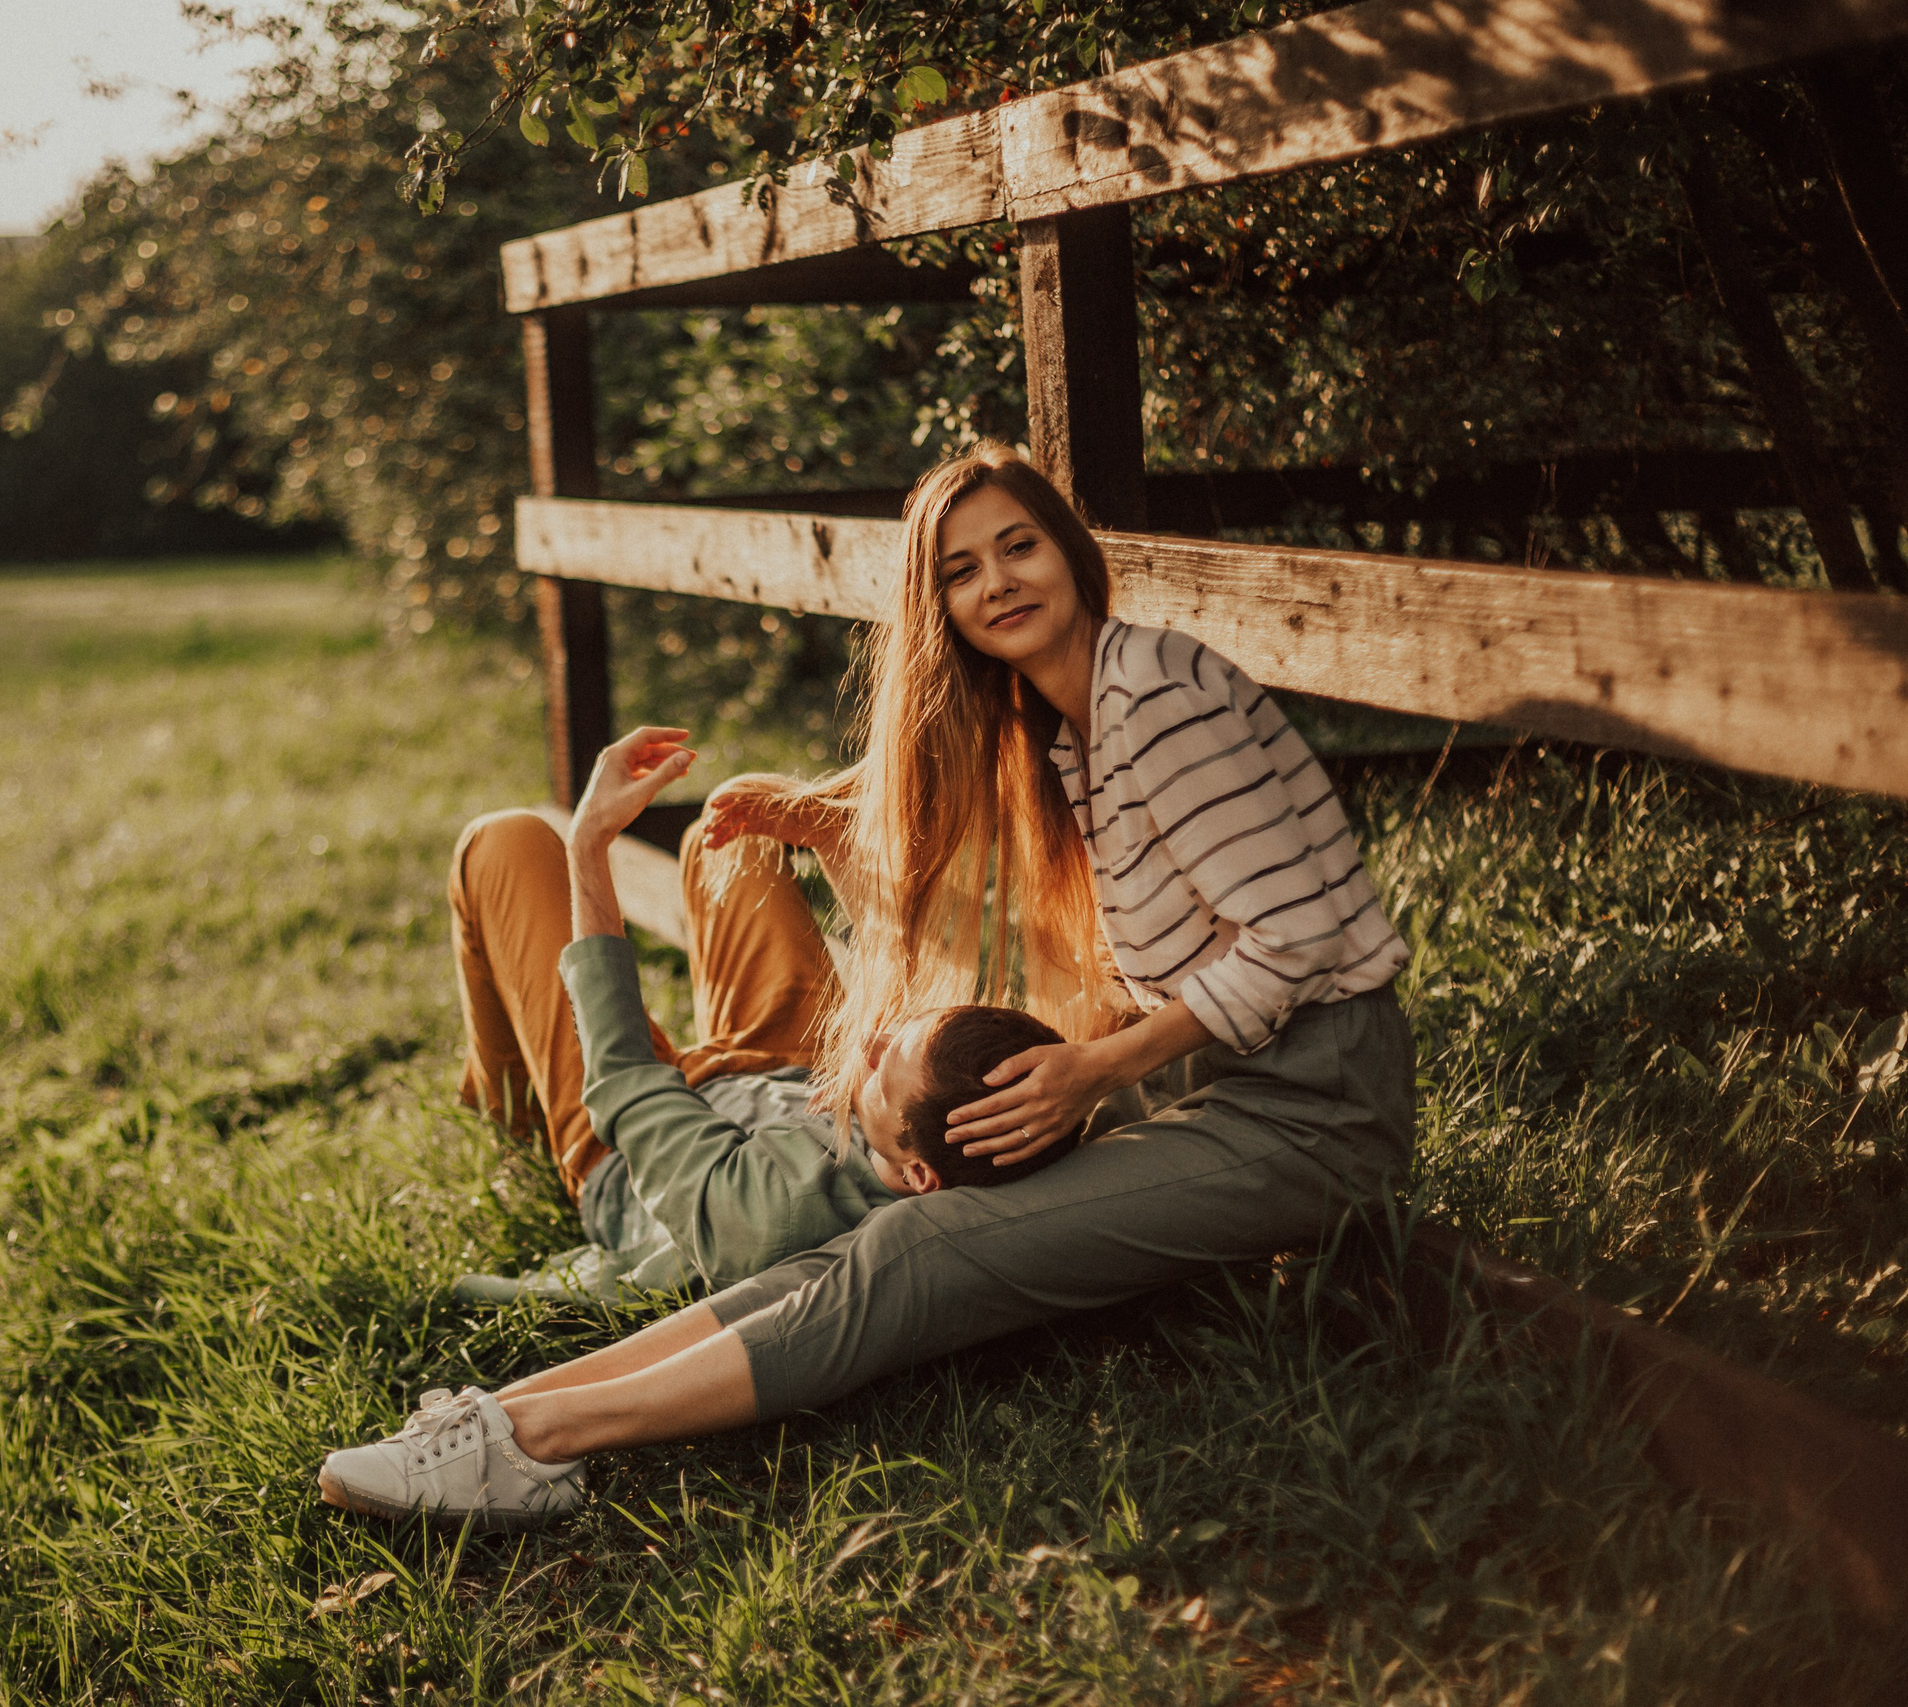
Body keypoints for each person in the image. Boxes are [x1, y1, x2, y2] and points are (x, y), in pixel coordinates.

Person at [318, 442, 1416, 1531]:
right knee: (868, 1240)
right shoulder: (1076, 725)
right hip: (1216, 1079)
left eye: (1018, 546)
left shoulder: (1153, 695)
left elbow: (1304, 935)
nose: (997, 582)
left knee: (914, 1248)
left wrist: (1100, 1066)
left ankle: (539, 1445)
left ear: (1073, 555)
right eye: (959, 569)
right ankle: (497, 1416)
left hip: (1308, 1108)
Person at [441, 763, 1085, 1306]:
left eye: (883, 1069)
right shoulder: (948, 1123)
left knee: (505, 842)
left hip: (630, 1141)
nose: (867, 1044)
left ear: (920, 1179)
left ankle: (519, 1104)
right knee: (738, 824)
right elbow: (904, 1031)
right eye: (895, 1041)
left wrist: (588, 848)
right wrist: (833, 849)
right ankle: (530, 1073)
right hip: (791, 1080)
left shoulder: (767, 1216)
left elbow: (625, 1079)